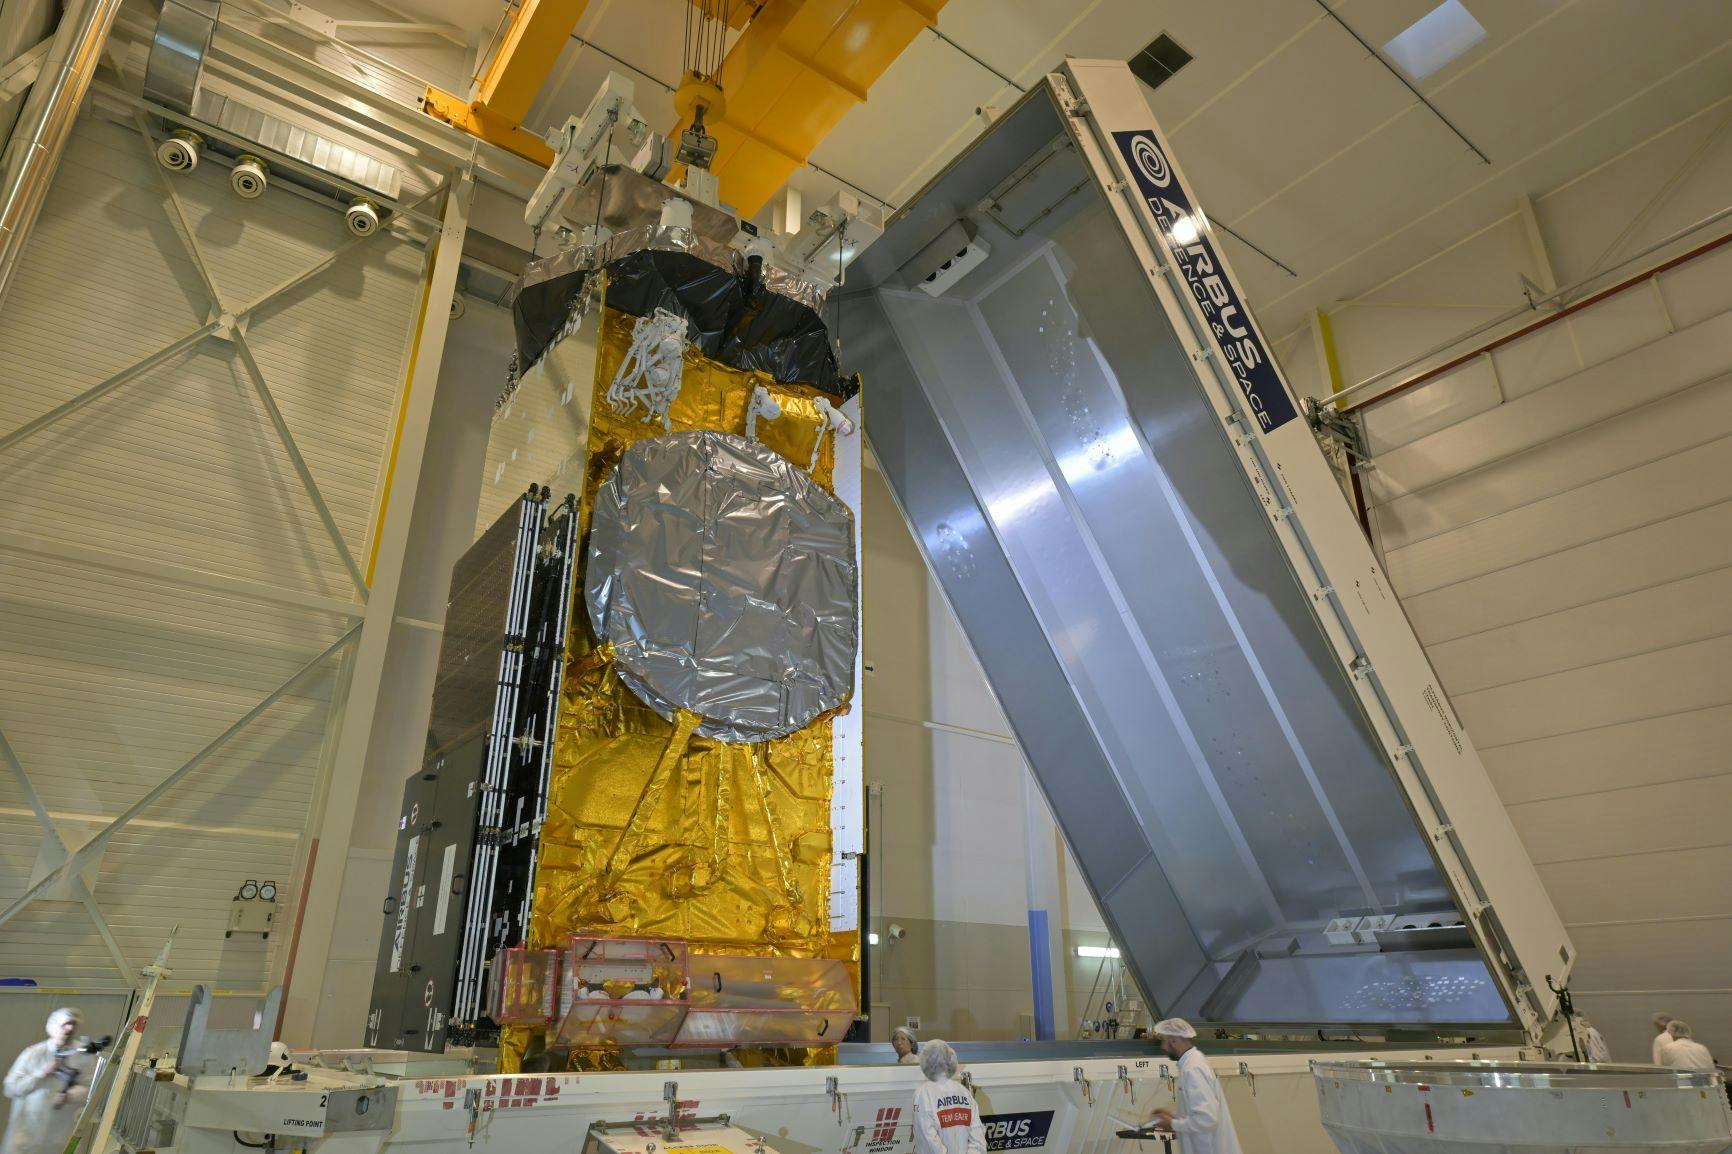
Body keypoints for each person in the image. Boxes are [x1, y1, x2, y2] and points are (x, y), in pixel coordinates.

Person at [4, 1008, 96, 1154]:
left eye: (73, 1025)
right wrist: (42, 1073)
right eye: (65, 1024)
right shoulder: (33, 1054)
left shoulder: (83, 1055)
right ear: (53, 1026)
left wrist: (71, 1095)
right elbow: (11, 1088)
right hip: (26, 1136)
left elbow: (93, 1088)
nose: (69, 1029)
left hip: (61, 1136)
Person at [1147, 1018, 1243, 1154]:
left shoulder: (1192, 1068)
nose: (1163, 1046)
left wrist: (1173, 1124)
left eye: (1163, 1040)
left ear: (1173, 1039)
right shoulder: (1193, 1062)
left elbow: (1207, 1119)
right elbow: (1198, 1110)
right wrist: (1174, 1117)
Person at [912, 1039, 985, 1154]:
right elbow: (977, 1135)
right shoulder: (964, 1092)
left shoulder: (923, 1093)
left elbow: (927, 1139)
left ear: (925, 1062)